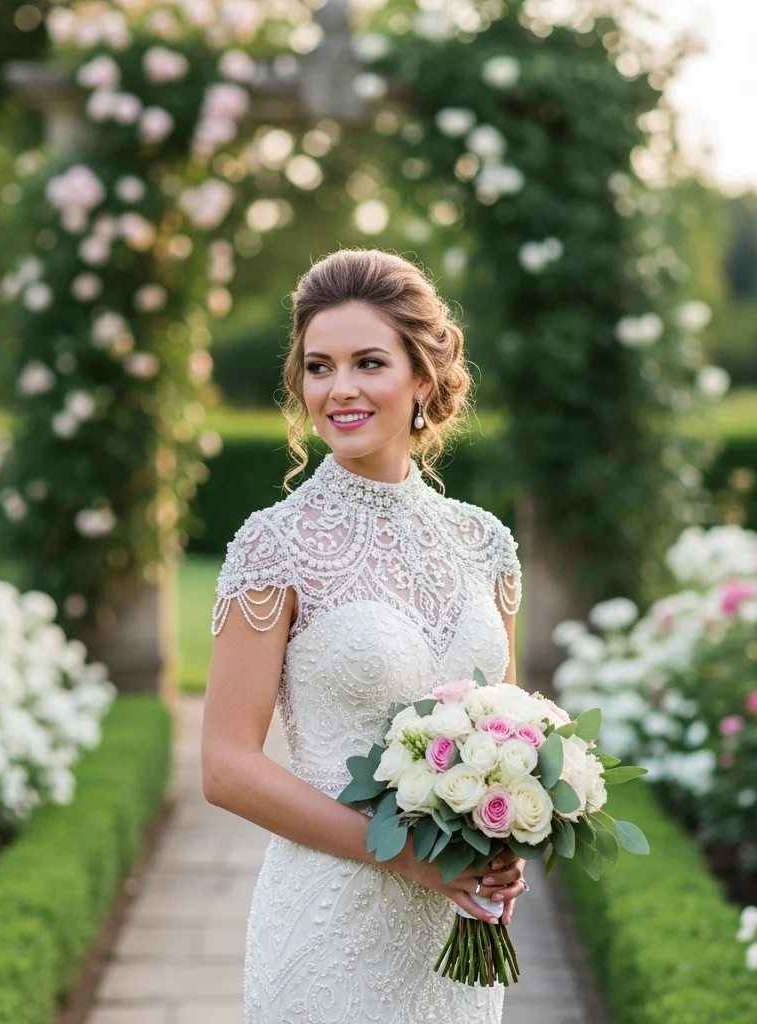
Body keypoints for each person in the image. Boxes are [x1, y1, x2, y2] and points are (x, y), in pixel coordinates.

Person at [202, 249, 527, 1023]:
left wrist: (507, 836)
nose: (339, 389)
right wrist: (408, 857)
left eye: (367, 362)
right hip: (328, 926)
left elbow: (507, 732)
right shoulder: (273, 546)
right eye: (319, 366)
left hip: (458, 937)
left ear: (422, 378)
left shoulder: (486, 544)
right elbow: (226, 766)